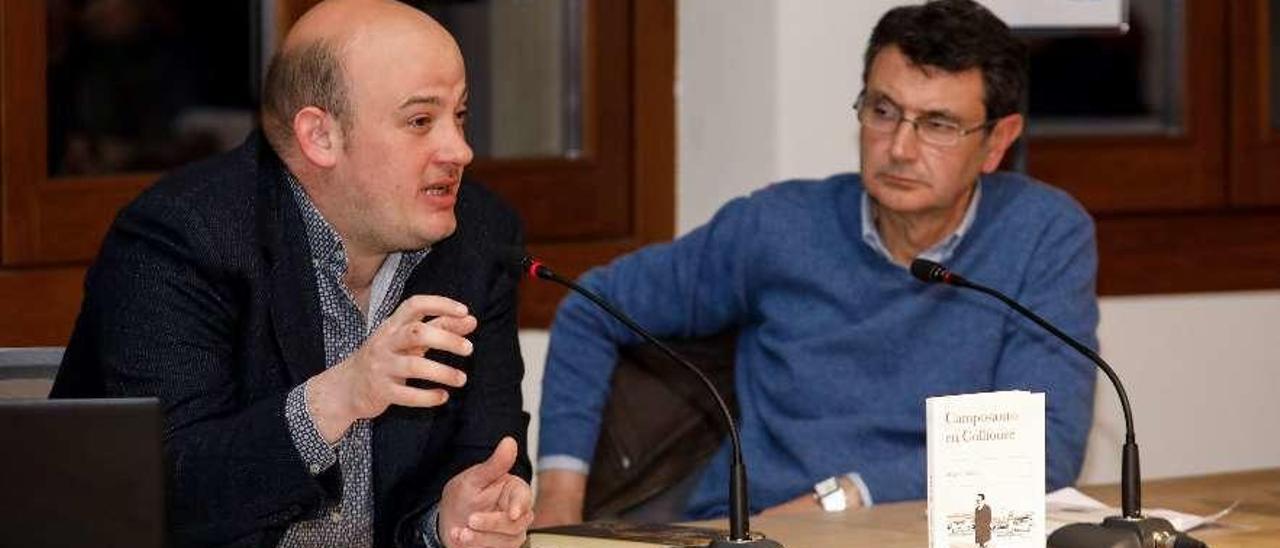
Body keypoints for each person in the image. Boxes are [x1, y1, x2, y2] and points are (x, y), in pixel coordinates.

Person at [534, 0, 1098, 524]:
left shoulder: (1042, 234)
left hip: (926, 530)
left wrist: (847, 495)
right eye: (883, 111)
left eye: (938, 124)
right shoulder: (776, 225)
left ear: (999, 141)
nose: (900, 147)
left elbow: (1043, 447)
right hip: (758, 527)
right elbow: (591, 308)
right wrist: (558, 504)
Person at [50, 1, 533, 546]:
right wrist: (341, 395)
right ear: (319, 136)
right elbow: (165, 493)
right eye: (421, 121)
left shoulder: (479, 237)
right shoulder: (181, 238)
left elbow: (483, 460)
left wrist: (451, 524)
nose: (460, 149)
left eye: (460, 115)